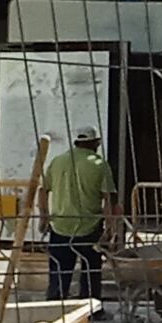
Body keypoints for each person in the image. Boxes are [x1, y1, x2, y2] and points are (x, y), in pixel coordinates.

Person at [41, 127, 115, 300]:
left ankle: (55, 305)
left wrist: (44, 217)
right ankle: (90, 307)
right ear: (95, 143)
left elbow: (42, 191)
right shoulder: (100, 164)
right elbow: (108, 199)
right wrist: (110, 228)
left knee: (59, 269)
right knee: (90, 270)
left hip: (59, 225)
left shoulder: (58, 161)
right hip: (89, 226)